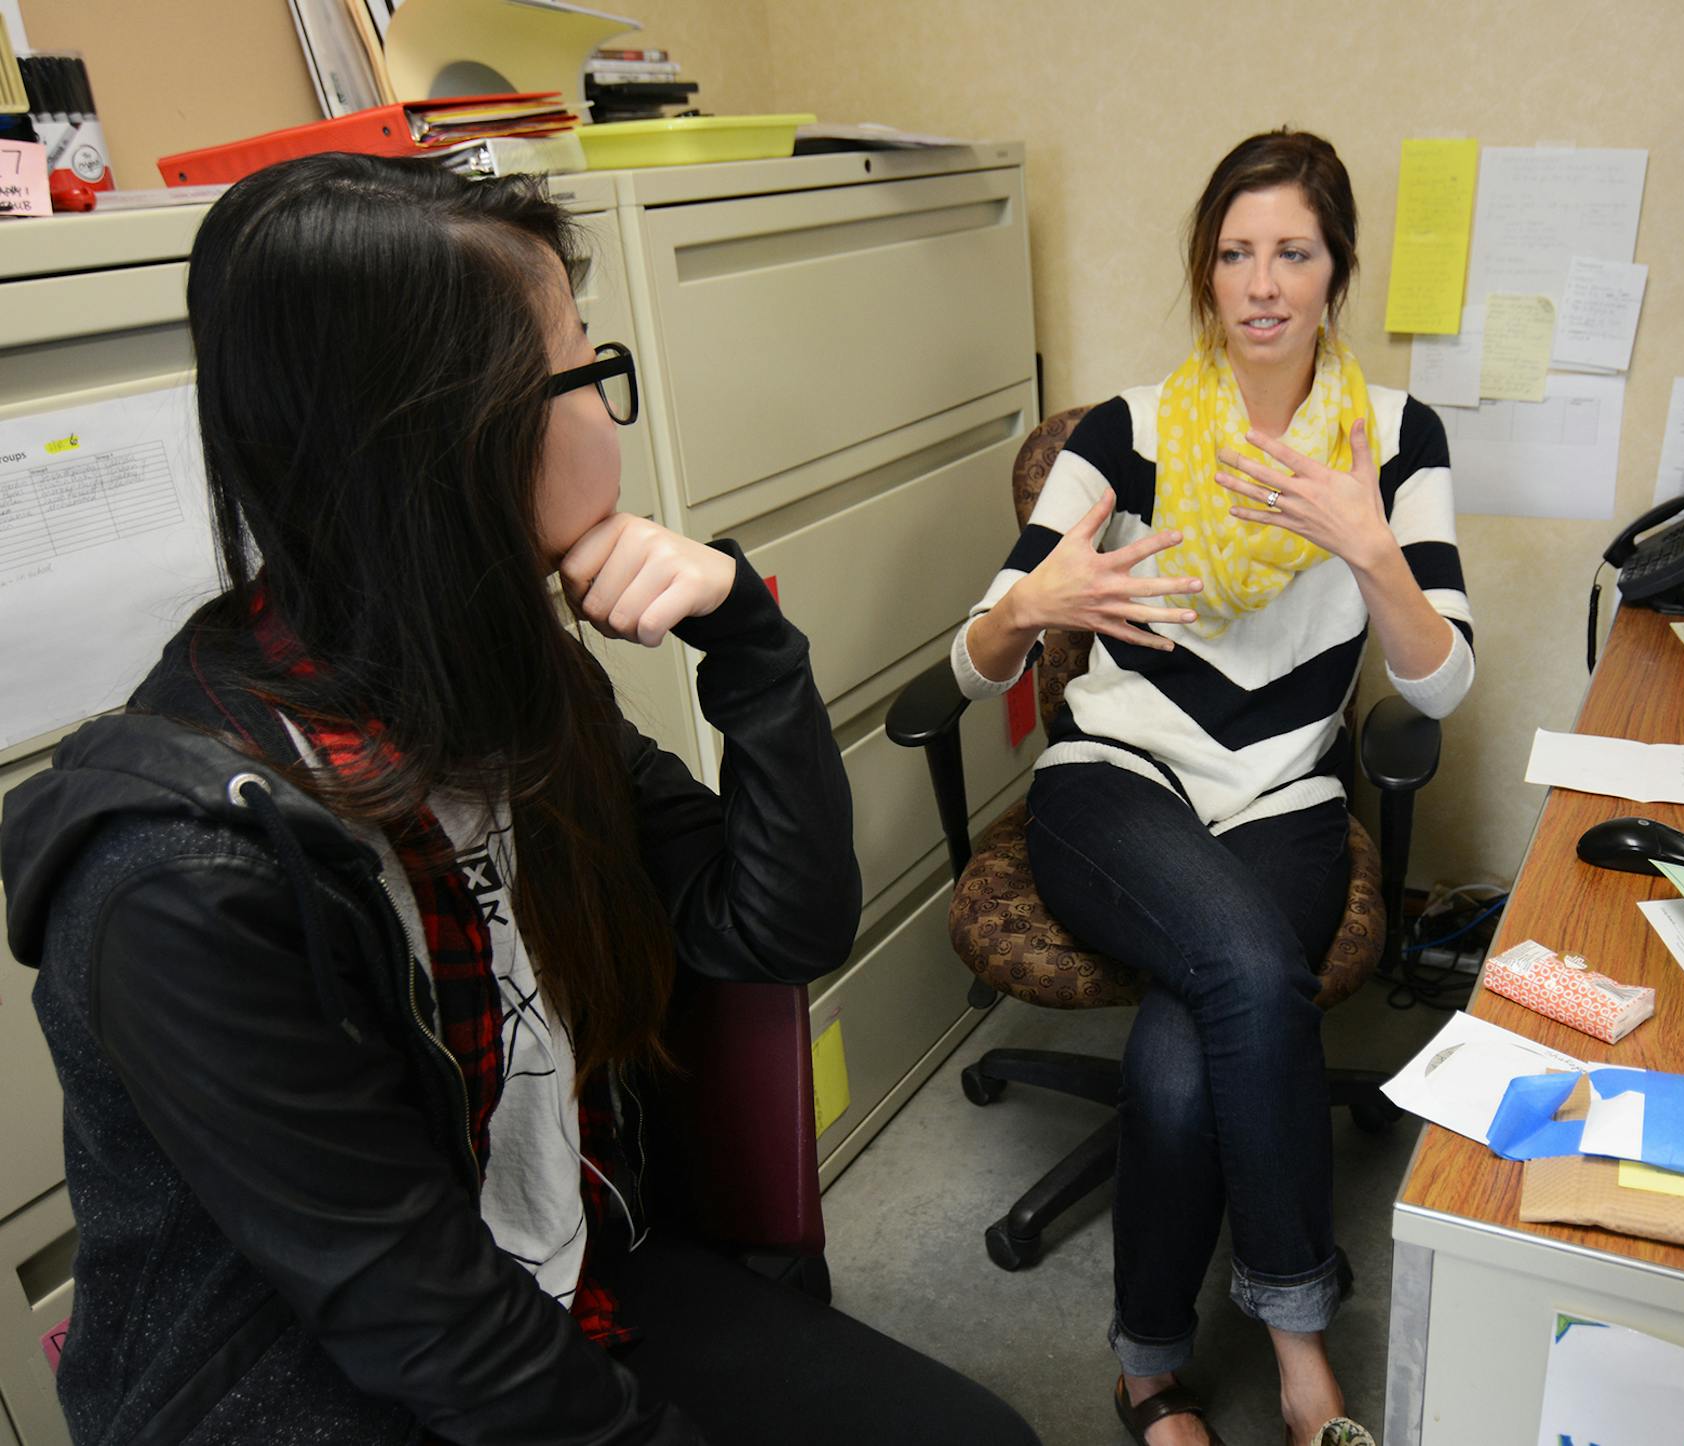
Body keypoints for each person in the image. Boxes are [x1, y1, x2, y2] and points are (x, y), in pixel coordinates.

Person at [0, 154, 1037, 1446]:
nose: (614, 415)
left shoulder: (502, 685)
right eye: (586, 371)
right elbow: (426, 1330)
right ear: (448, 443)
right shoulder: (181, 878)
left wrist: (755, 646)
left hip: (575, 1274)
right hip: (342, 1393)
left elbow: (777, 926)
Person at [951, 130, 1475, 1446]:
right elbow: (972, 659)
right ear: (1206, 269)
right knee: (1248, 974)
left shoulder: (1395, 440)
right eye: (1235, 252)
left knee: (1182, 1066)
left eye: (1291, 251)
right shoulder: (1123, 433)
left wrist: (1370, 550)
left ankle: (1148, 1370)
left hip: (1286, 795)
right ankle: (1304, 1345)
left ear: (1334, 268)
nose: (1261, 283)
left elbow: (1445, 681)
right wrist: (1034, 607)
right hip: (1115, 780)